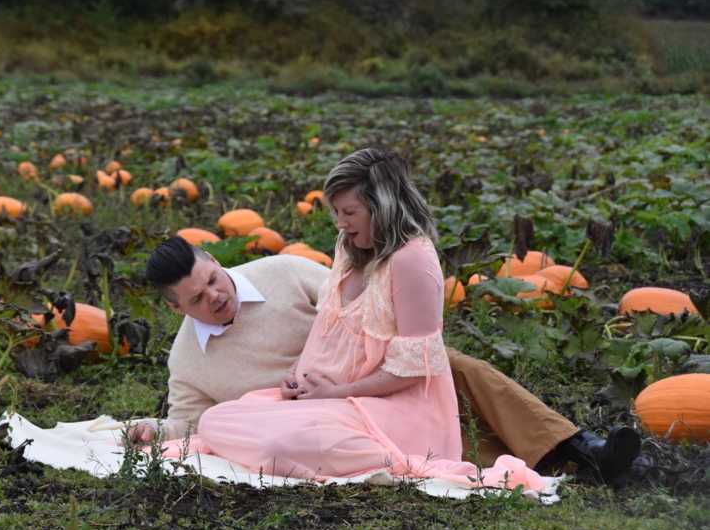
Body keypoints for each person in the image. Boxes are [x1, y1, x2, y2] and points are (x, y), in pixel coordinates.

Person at [138, 149, 641, 483]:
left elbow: (369, 316)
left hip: (374, 379)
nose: (215, 297)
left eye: (214, 280)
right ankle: (573, 459)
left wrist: (354, 377)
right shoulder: (188, 359)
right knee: (452, 427)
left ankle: (584, 446)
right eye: (198, 299)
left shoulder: (283, 272)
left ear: (216, 261)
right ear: (175, 308)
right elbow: (185, 421)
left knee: (457, 368)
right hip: (306, 408)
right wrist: (145, 429)